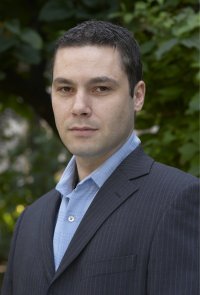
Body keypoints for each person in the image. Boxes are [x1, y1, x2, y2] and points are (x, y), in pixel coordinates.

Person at [2, 20, 199, 295]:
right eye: (65, 89)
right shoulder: (30, 220)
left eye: (101, 89)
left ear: (138, 96)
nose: (79, 107)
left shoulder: (179, 199)